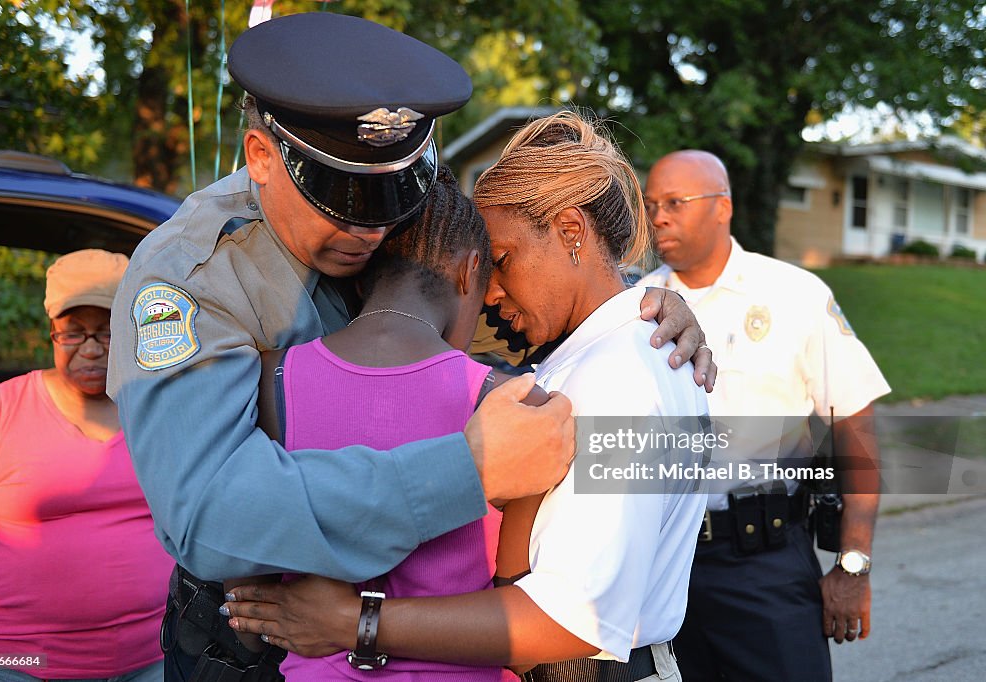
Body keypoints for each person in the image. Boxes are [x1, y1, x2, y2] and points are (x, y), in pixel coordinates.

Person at [107, 13, 714, 679]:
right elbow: (211, 515)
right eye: (341, 195)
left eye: (389, 194)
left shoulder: (388, 228)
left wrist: (640, 306)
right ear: (260, 156)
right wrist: (469, 470)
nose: (368, 230)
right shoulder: (193, 276)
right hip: (250, 641)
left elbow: (499, 307)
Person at [223, 110, 709, 682]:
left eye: (502, 261)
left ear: (571, 232)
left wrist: (356, 621)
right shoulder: (603, 351)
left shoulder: (620, 374)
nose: (491, 294)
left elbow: (569, 622)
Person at [637, 150, 890, 682]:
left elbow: (856, 429)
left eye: (675, 203)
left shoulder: (794, 295)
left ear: (722, 206)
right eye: (651, 203)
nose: (658, 216)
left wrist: (852, 565)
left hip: (766, 565)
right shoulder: (633, 306)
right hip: (662, 569)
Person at [0, 249, 172, 681]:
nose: (92, 350)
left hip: (151, 659)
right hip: (15, 663)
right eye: (73, 334)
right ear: (51, 332)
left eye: (107, 332)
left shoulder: (156, 411)